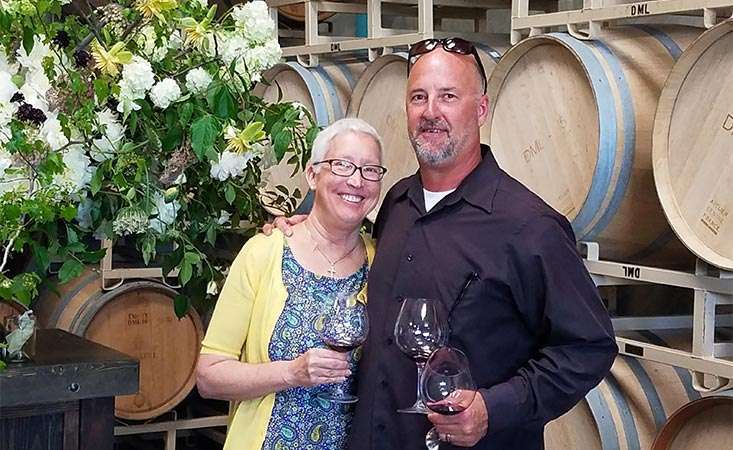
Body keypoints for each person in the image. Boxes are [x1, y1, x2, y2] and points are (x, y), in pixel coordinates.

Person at [270, 37, 617, 449]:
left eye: (448, 96)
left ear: (481, 109)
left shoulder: (529, 227)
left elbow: (589, 346)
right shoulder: (396, 204)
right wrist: (304, 230)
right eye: (419, 97)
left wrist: (494, 407)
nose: (430, 112)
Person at [196, 118, 386, 450]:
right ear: (313, 174)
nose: (357, 181)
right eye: (342, 165)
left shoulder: (383, 263)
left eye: (370, 170)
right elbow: (209, 376)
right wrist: (291, 373)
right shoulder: (263, 253)